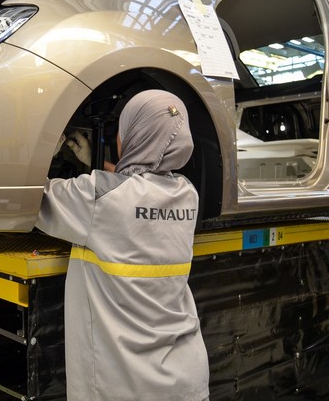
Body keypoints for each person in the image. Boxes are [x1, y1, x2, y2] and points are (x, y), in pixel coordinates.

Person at [36, 89, 210, 401]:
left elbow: (29, 198)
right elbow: (139, 187)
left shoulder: (96, 198)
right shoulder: (188, 195)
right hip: (186, 379)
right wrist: (94, 162)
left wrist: (47, 148)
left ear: (133, 136)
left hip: (122, 384)